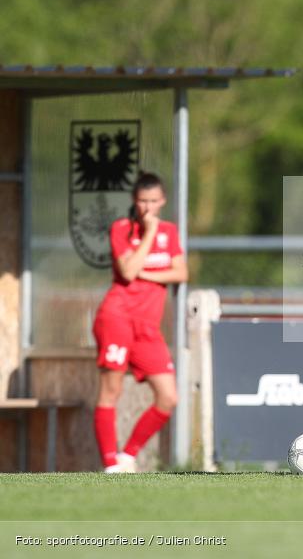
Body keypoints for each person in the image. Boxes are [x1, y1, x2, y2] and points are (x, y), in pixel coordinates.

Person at [92, 172, 188, 473]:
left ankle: (128, 456)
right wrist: (147, 233)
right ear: (135, 201)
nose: (148, 207)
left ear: (163, 201)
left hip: (148, 328)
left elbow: (180, 273)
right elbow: (128, 271)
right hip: (117, 318)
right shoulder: (122, 228)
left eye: (153, 201)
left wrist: (147, 272)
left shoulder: (169, 232)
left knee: (168, 396)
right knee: (112, 391)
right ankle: (110, 464)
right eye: (142, 201)